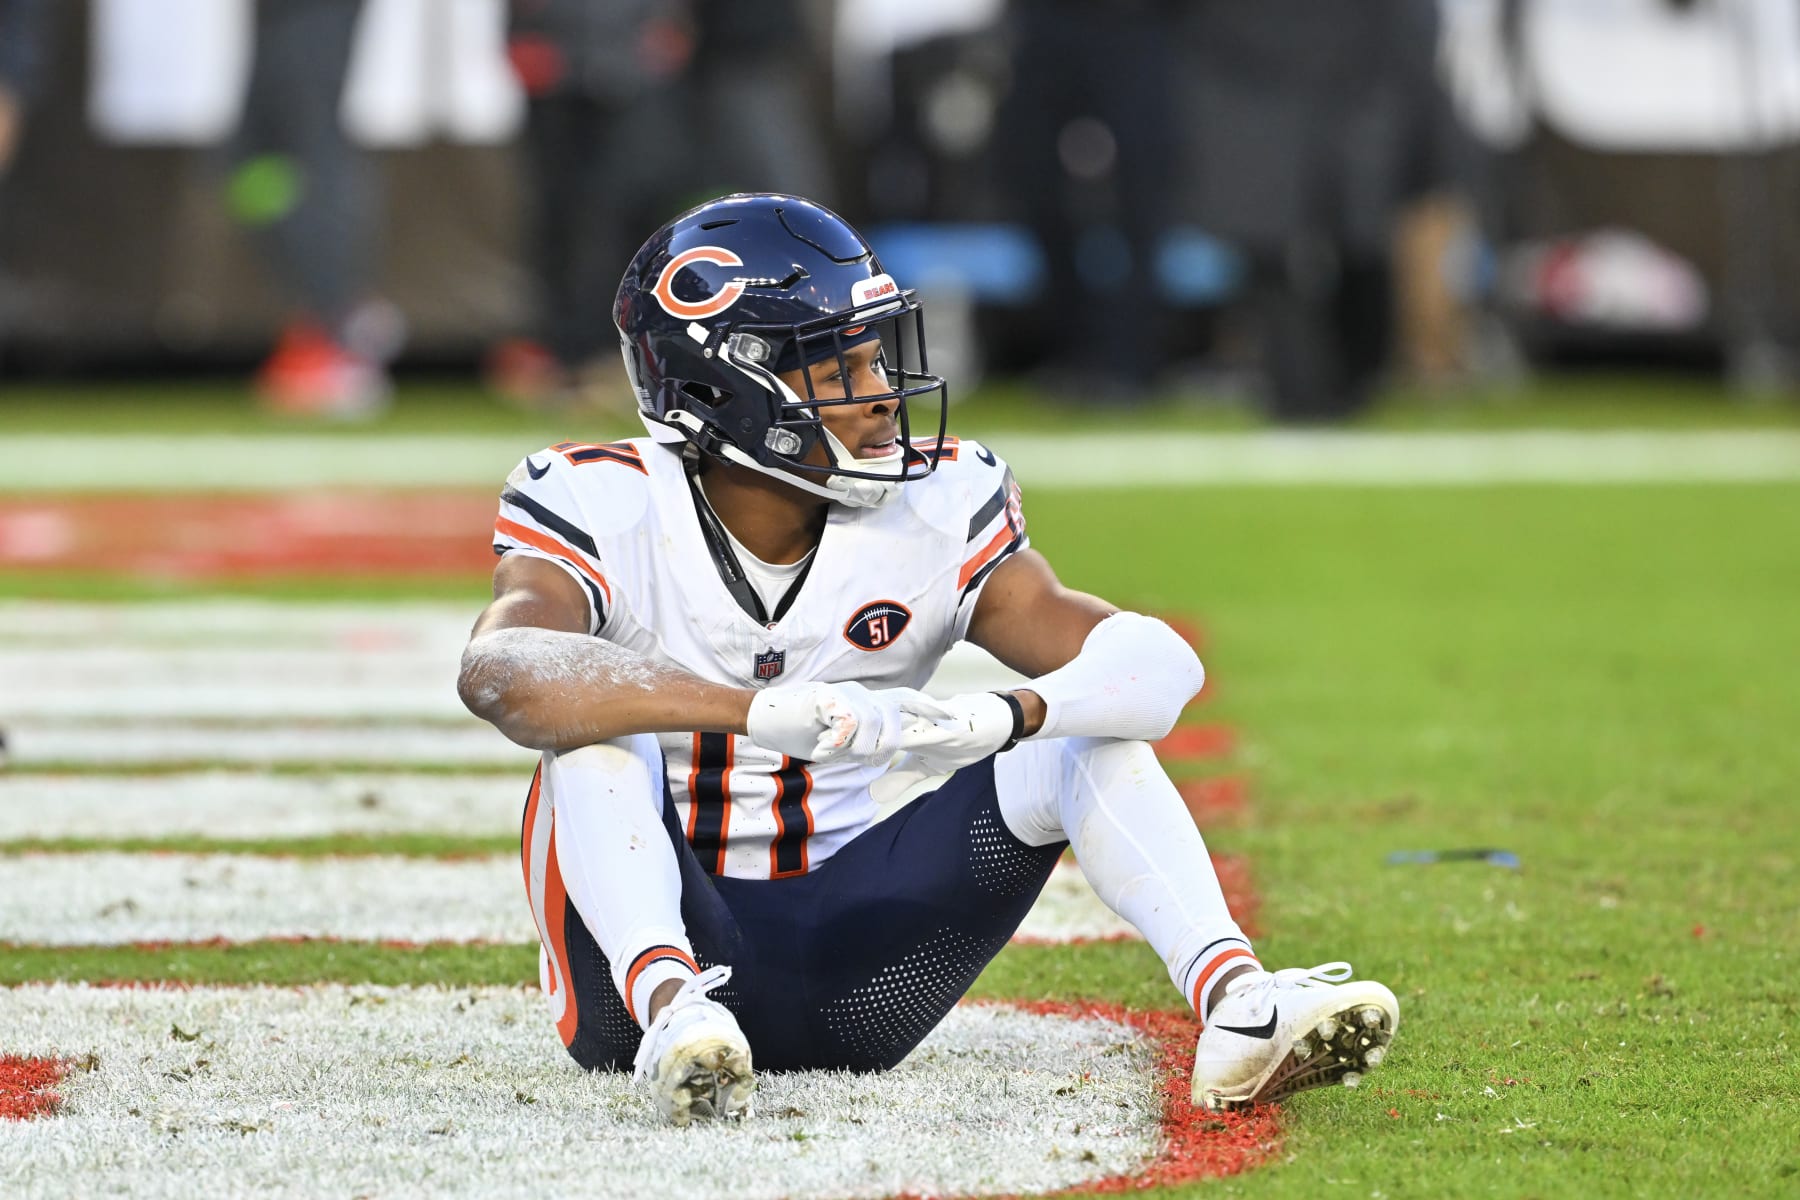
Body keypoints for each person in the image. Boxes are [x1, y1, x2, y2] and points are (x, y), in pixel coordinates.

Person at [457, 193, 1399, 1126]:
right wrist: (746, 711)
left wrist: (1000, 717)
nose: (880, 393)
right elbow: (502, 670)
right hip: (629, 988)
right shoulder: (600, 498)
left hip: (856, 967)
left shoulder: (935, 503)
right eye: (843, 366)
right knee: (587, 735)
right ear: (727, 385)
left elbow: (1154, 667)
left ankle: (1239, 1003)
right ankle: (675, 1008)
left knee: (1085, 734)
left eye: (876, 356)